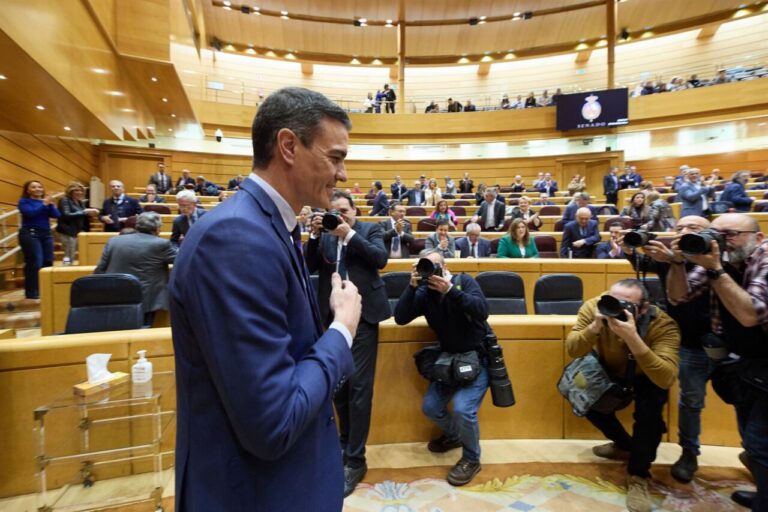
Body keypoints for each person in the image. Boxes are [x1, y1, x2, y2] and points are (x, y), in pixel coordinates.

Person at [168, 87, 363, 511]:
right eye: (335, 157)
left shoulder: (269, 226)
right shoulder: (235, 239)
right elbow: (274, 421)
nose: (343, 174)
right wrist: (341, 331)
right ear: (289, 146)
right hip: (254, 494)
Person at [667, 213, 768, 510]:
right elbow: (678, 297)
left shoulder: (764, 259)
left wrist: (714, 270)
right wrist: (676, 262)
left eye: (730, 234)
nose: (721, 240)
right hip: (749, 362)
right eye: (716, 233)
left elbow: (751, 313)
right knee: (754, 441)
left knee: (761, 443)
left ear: (758, 238)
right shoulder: (720, 259)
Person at [566, 279, 680, 512]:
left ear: (644, 307)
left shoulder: (663, 325)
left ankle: (638, 475)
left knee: (650, 422)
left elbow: (665, 377)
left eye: (625, 305)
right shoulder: (595, 307)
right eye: (612, 301)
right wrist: (595, 327)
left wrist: (632, 337)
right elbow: (573, 348)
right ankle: (624, 445)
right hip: (610, 370)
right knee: (587, 403)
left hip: (648, 374)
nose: (615, 309)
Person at [618, 216, 714, 484]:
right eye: (680, 228)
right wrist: (629, 249)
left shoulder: (724, 261)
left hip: (728, 342)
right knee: (691, 402)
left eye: (692, 228)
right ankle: (689, 453)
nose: (684, 232)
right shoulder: (672, 258)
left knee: (745, 402)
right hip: (687, 342)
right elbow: (643, 264)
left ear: (710, 233)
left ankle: (753, 456)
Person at [305, 190, 389, 496]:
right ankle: (342, 444)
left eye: (344, 210)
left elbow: (380, 258)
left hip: (364, 318)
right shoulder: (325, 235)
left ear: (354, 211)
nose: (339, 216)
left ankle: (356, 459)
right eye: (334, 211)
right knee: (337, 385)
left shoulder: (369, 229)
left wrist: (348, 233)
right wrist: (315, 236)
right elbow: (310, 265)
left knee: (359, 388)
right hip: (333, 318)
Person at [394, 249, 490, 486]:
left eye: (432, 265)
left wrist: (450, 291)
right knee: (430, 407)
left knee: (462, 409)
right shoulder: (425, 293)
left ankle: (471, 458)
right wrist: (412, 287)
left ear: (444, 266)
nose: (429, 270)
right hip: (449, 359)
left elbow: (482, 310)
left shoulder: (463, 282)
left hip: (476, 357)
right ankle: (456, 435)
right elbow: (400, 317)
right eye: (423, 266)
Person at [95, 212, 176, 326]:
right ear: (157, 228)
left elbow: (100, 268)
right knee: (142, 332)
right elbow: (180, 258)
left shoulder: (114, 240)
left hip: (114, 294)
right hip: (146, 298)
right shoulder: (161, 244)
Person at [18, 180, 60, 300]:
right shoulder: (24, 201)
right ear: (28, 190)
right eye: (34, 187)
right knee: (35, 262)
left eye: (39, 187)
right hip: (30, 234)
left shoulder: (45, 203)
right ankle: (32, 291)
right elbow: (30, 213)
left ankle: (44, 288)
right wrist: (44, 204)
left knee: (48, 261)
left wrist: (51, 204)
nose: (38, 189)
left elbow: (57, 215)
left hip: (46, 234)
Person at [56, 181, 99, 265]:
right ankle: (65, 267)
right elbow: (66, 214)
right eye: (76, 190)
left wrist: (90, 213)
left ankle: (68, 266)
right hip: (67, 230)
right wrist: (84, 211)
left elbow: (81, 214)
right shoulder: (65, 200)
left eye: (81, 190)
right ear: (70, 191)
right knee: (68, 254)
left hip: (76, 230)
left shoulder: (80, 202)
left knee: (72, 253)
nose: (79, 192)